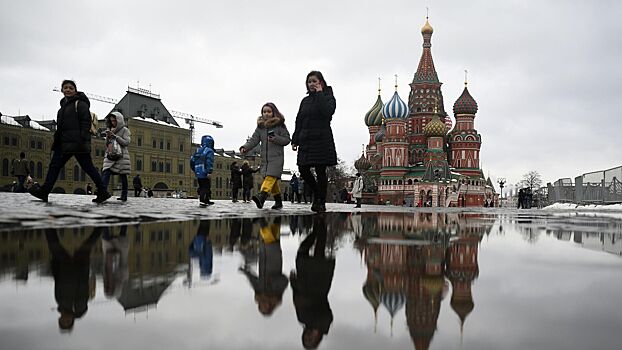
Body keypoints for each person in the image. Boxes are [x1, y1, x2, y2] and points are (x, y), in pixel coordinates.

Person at [29, 80, 110, 203]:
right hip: (64, 143)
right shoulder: (62, 109)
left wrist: (82, 139)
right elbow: (60, 128)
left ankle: (103, 191)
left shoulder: (80, 104)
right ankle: (44, 191)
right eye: (65, 88)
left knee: (89, 168)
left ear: (75, 90)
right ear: (62, 90)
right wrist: (56, 141)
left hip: (78, 143)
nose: (67, 90)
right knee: (54, 167)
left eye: (70, 88)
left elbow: (85, 122)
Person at [291, 71, 337, 213]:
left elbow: (327, 112)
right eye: (309, 81)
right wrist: (295, 138)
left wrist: (319, 94)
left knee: (320, 171)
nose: (311, 84)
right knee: (303, 169)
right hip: (306, 140)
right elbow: (299, 120)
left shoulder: (328, 96)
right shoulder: (305, 101)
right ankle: (317, 193)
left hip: (321, 139)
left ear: (321, 82)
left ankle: (320, 202)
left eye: (314, 81)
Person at [45, 227, 102, 332]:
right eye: (67, 322)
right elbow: (83, 287)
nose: (65, 319)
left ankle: (49, 222)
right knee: (88, 244)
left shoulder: (60, 302)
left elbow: (57, 281)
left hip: (64, 267)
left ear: (59, 319)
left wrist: (54, 264)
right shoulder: (79, 308)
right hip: (79, 267)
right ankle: (102, 225)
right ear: (72, 320)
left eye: (62, 321)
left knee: (53, 244)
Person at [290, 215, 335, 349]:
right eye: (311, 340)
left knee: (302, 251)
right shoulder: (324, 324)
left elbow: (296, 300)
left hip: (304, 280)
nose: (308, 336)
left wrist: (294, 284)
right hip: (318, 284)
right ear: (317, 339)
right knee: (319, 250)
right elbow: (325, 312)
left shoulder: (302, 319)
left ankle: (317, 229)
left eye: (305, 339)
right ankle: (321, 225)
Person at [240, 102, 291, 209]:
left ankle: (261, 196)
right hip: (265, 159)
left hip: (276, 158)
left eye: (269, 111)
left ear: (273, 113)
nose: (266, 114)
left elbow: (287, 140)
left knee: (270, 177)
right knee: (272, 181)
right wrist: (245, 147)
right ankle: (278, 202)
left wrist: (276, 139)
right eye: (264, 112)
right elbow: (254, 140)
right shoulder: (260, 128)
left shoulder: (280, 126)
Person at [240, 217, 288, 317]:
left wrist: (245, 271)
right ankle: (263, 221)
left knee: (270, 236)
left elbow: (253, 279)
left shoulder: (259, 292)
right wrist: (273, 281)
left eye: (261, 307)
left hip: (263, 256)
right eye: (265, 308)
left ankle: (275, 218)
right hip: (274, 258)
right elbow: (285, 280)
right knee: (271, 238)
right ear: (270, 307)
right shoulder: (277, 293)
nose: (263, 305)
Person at [101, 112, 131, 202]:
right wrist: (107, 137)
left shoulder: (125, 130)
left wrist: (115, 137)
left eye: (115, 121)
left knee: (123, 176)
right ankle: (102, 193)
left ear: (119, 120)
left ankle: (124, 195)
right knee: (106, 172)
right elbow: (107, 144)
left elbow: (126, 142)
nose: (113, 122)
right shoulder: (110, 129)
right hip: (110, 155)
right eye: (111, 121)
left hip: (121, 156)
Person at [191, 135, 215, 207]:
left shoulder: (198, 150)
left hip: (198, 171)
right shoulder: (209, 151)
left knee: (201, 186)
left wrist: (194, 169)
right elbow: (209, 162)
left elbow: (192, 160)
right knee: (206, 187)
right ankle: (203, 200)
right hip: (204, 171)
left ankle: (206, 200)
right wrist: (209, 171)